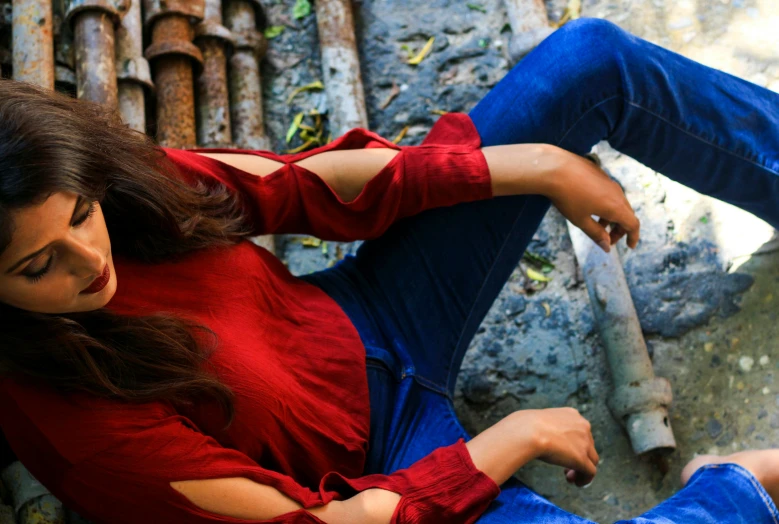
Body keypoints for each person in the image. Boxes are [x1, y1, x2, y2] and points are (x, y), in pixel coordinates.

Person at [0, 16, 776, 524]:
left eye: (79, 215)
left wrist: (536, 164)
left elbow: (308, 183)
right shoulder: (79, 429)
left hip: (375, 308)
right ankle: (735, 488)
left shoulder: (118, 181)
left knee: (590, 60)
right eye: (40, 265)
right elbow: (319, 523)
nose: (89, 259)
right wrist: (506, 442)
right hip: (381, 471)